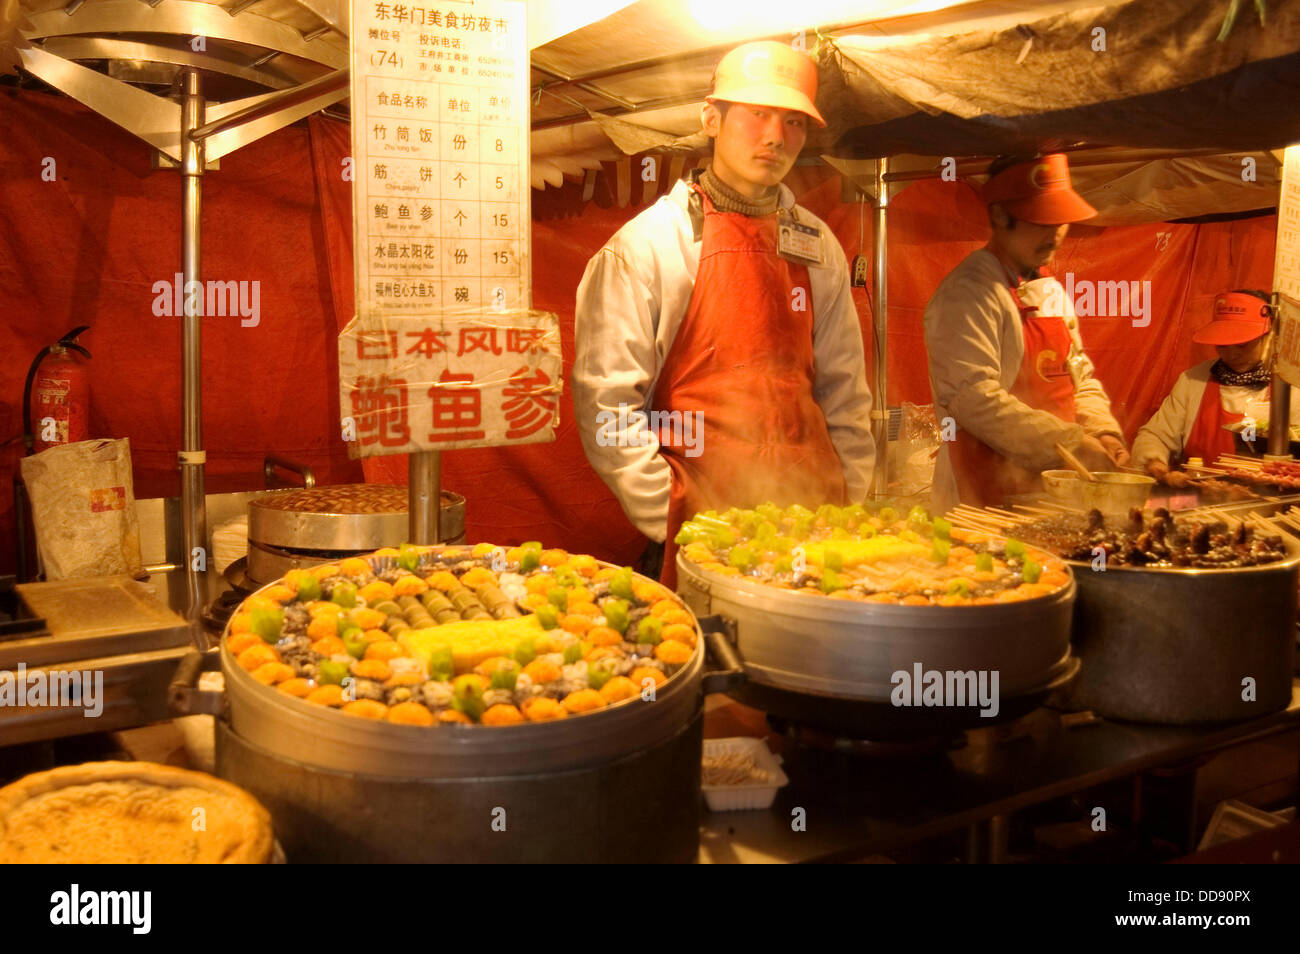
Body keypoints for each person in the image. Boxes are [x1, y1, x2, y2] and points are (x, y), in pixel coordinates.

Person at [572, 41, 875, 586]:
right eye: (757, 114)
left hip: (815, 527)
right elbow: (608, 407)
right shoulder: (645, 248)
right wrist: (677, 518)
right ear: (711, 117)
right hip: (700, 534)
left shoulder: (818, 244)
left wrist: (846, 501)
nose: (776, 137)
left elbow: (845, 392)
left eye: (793, 122)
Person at [924, 153, 1129, 513]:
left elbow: (1080, 380)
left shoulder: (1052, 292)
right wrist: (1070, 442)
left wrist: (1102, 432)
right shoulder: (967, 293)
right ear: (1000, 215)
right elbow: (974, 400)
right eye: (1042, 221)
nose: (1055, 234)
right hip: (980, 496)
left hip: (1054, 491)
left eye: (1061, 221)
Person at [1132, 290, 1296, 484]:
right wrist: (1154, 462)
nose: (1232, 354)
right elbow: (1155, 435)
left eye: (1243, 344)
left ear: (1270, 337)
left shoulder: (1290, 387)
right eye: (1223, 344)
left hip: (1273, 497)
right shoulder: (1194, 381)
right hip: (1202, 500)